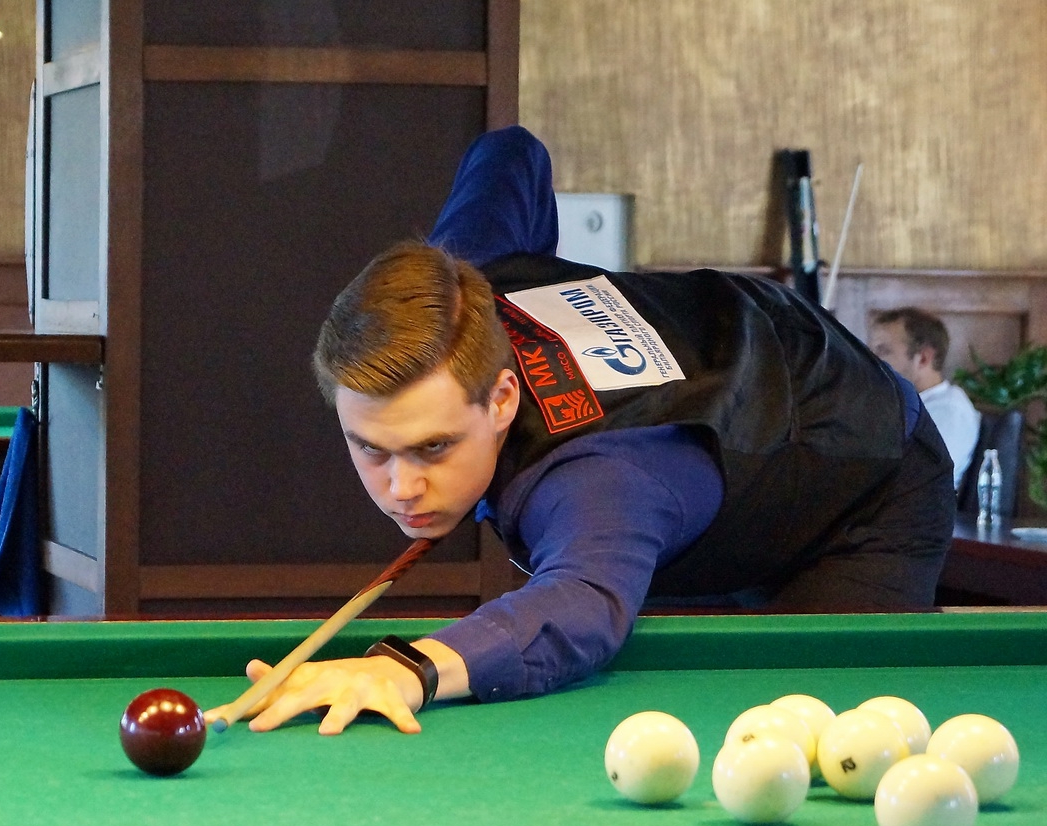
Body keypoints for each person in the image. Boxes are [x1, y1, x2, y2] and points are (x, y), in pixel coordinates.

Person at [213, 126, 954, 737]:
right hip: (735, 413)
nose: (402, 488)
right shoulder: (462, 282)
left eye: (434, 447)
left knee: (813, 735)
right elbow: (511, 152)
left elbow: (586, 600)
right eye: (372, 449)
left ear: (502, 398)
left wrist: (409, 666)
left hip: (867, 472)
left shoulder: (597, 477)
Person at [868, 307, 981, 489]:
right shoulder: (904, 405)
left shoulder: (950, 411)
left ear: (923, 358)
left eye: (884, 351)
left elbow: (916, 481)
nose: (872, 361)